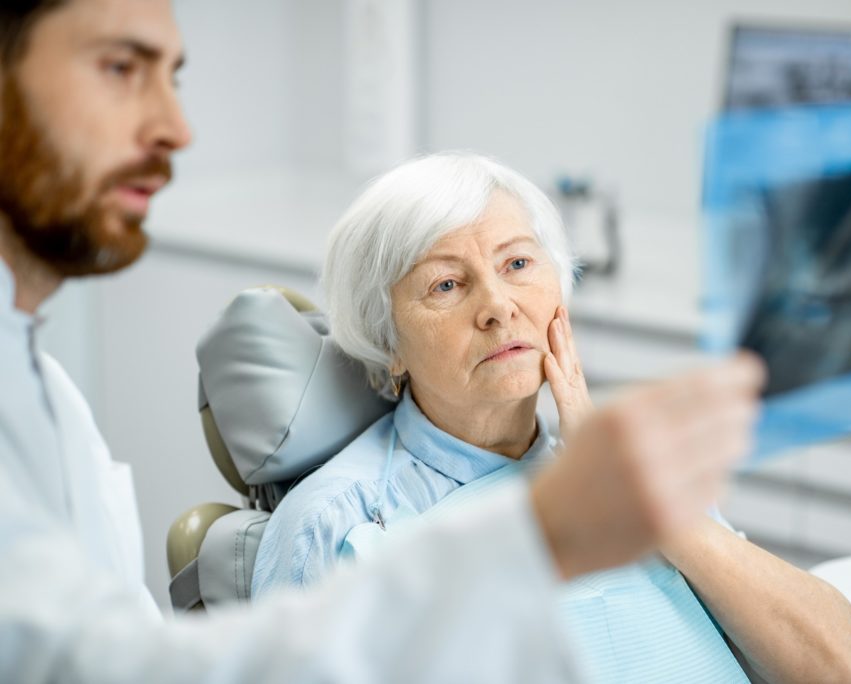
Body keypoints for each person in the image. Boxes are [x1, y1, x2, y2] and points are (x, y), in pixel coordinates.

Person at [0, 1, 771, 682]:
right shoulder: (348, 518)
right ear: (388, 342)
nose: (177, 127)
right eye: (119, 67)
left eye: (519, 264)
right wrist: (538, 535)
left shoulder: (48, 396)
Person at [251, 153, 851, 683]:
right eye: (446, 285)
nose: (498, 306)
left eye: (518, 265)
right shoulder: (336, 522)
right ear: (389, 344)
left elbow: (838, 665)